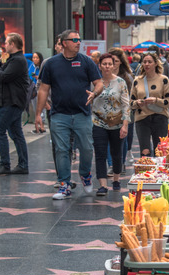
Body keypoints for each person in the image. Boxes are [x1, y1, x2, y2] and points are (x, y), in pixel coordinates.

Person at [35, 29, 103, 200]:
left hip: (82, 113)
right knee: (62, 150)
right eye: (74, 40)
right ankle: (64, 184)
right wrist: (38, 114)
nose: (78, 42)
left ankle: (85, 174)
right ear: (64, 42)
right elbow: (43, 89)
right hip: (59, 115)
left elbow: (99, 82)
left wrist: (95, 93)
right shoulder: (51, 64)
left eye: (79, 39)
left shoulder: (86, 61)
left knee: (87, 148)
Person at [0, 32, 30, 175]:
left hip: (11, 102)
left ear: (13, 44)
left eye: (6, 43)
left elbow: (4, 77)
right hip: (12, 101)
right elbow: (6, 74)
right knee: (16, 133)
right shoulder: (14, 60)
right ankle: (22, 164)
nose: (5, 45)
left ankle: (5, 164)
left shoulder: (18, 60)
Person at [92, 53, 129, 195]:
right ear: (100, 66)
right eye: (104, 64)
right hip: (98, 122)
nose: (107, 66)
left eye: (109, 64)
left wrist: (125, 125)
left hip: (117, 123)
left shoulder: (120, 82)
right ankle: (102, 185)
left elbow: (126, 105)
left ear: (114, 65)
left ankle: (116, 179)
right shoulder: (95, 82)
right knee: (100, 153)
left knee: (116, 153)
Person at [130, 52, 169, 157]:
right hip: (142, 119)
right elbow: (131, 103)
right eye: (144, 62)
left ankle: (160, 173)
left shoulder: (163, 79)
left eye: (149, 62)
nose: (147, 64)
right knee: (145, 152)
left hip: (160, 118)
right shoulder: (137, 81)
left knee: (160, 152)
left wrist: (156, 100)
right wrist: (138, 103)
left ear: (155, 64)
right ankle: (145, 173)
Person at [109, 47, 135, 169]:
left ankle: (121, 163)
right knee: (109, 141)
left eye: (116, 61)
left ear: (121, 62)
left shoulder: (128, 77)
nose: (113, 64)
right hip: (107, 114)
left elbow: (131, 97)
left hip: (124, 113)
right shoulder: (103, 77)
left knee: (122, 140)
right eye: (111, 61)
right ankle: (111, 165)